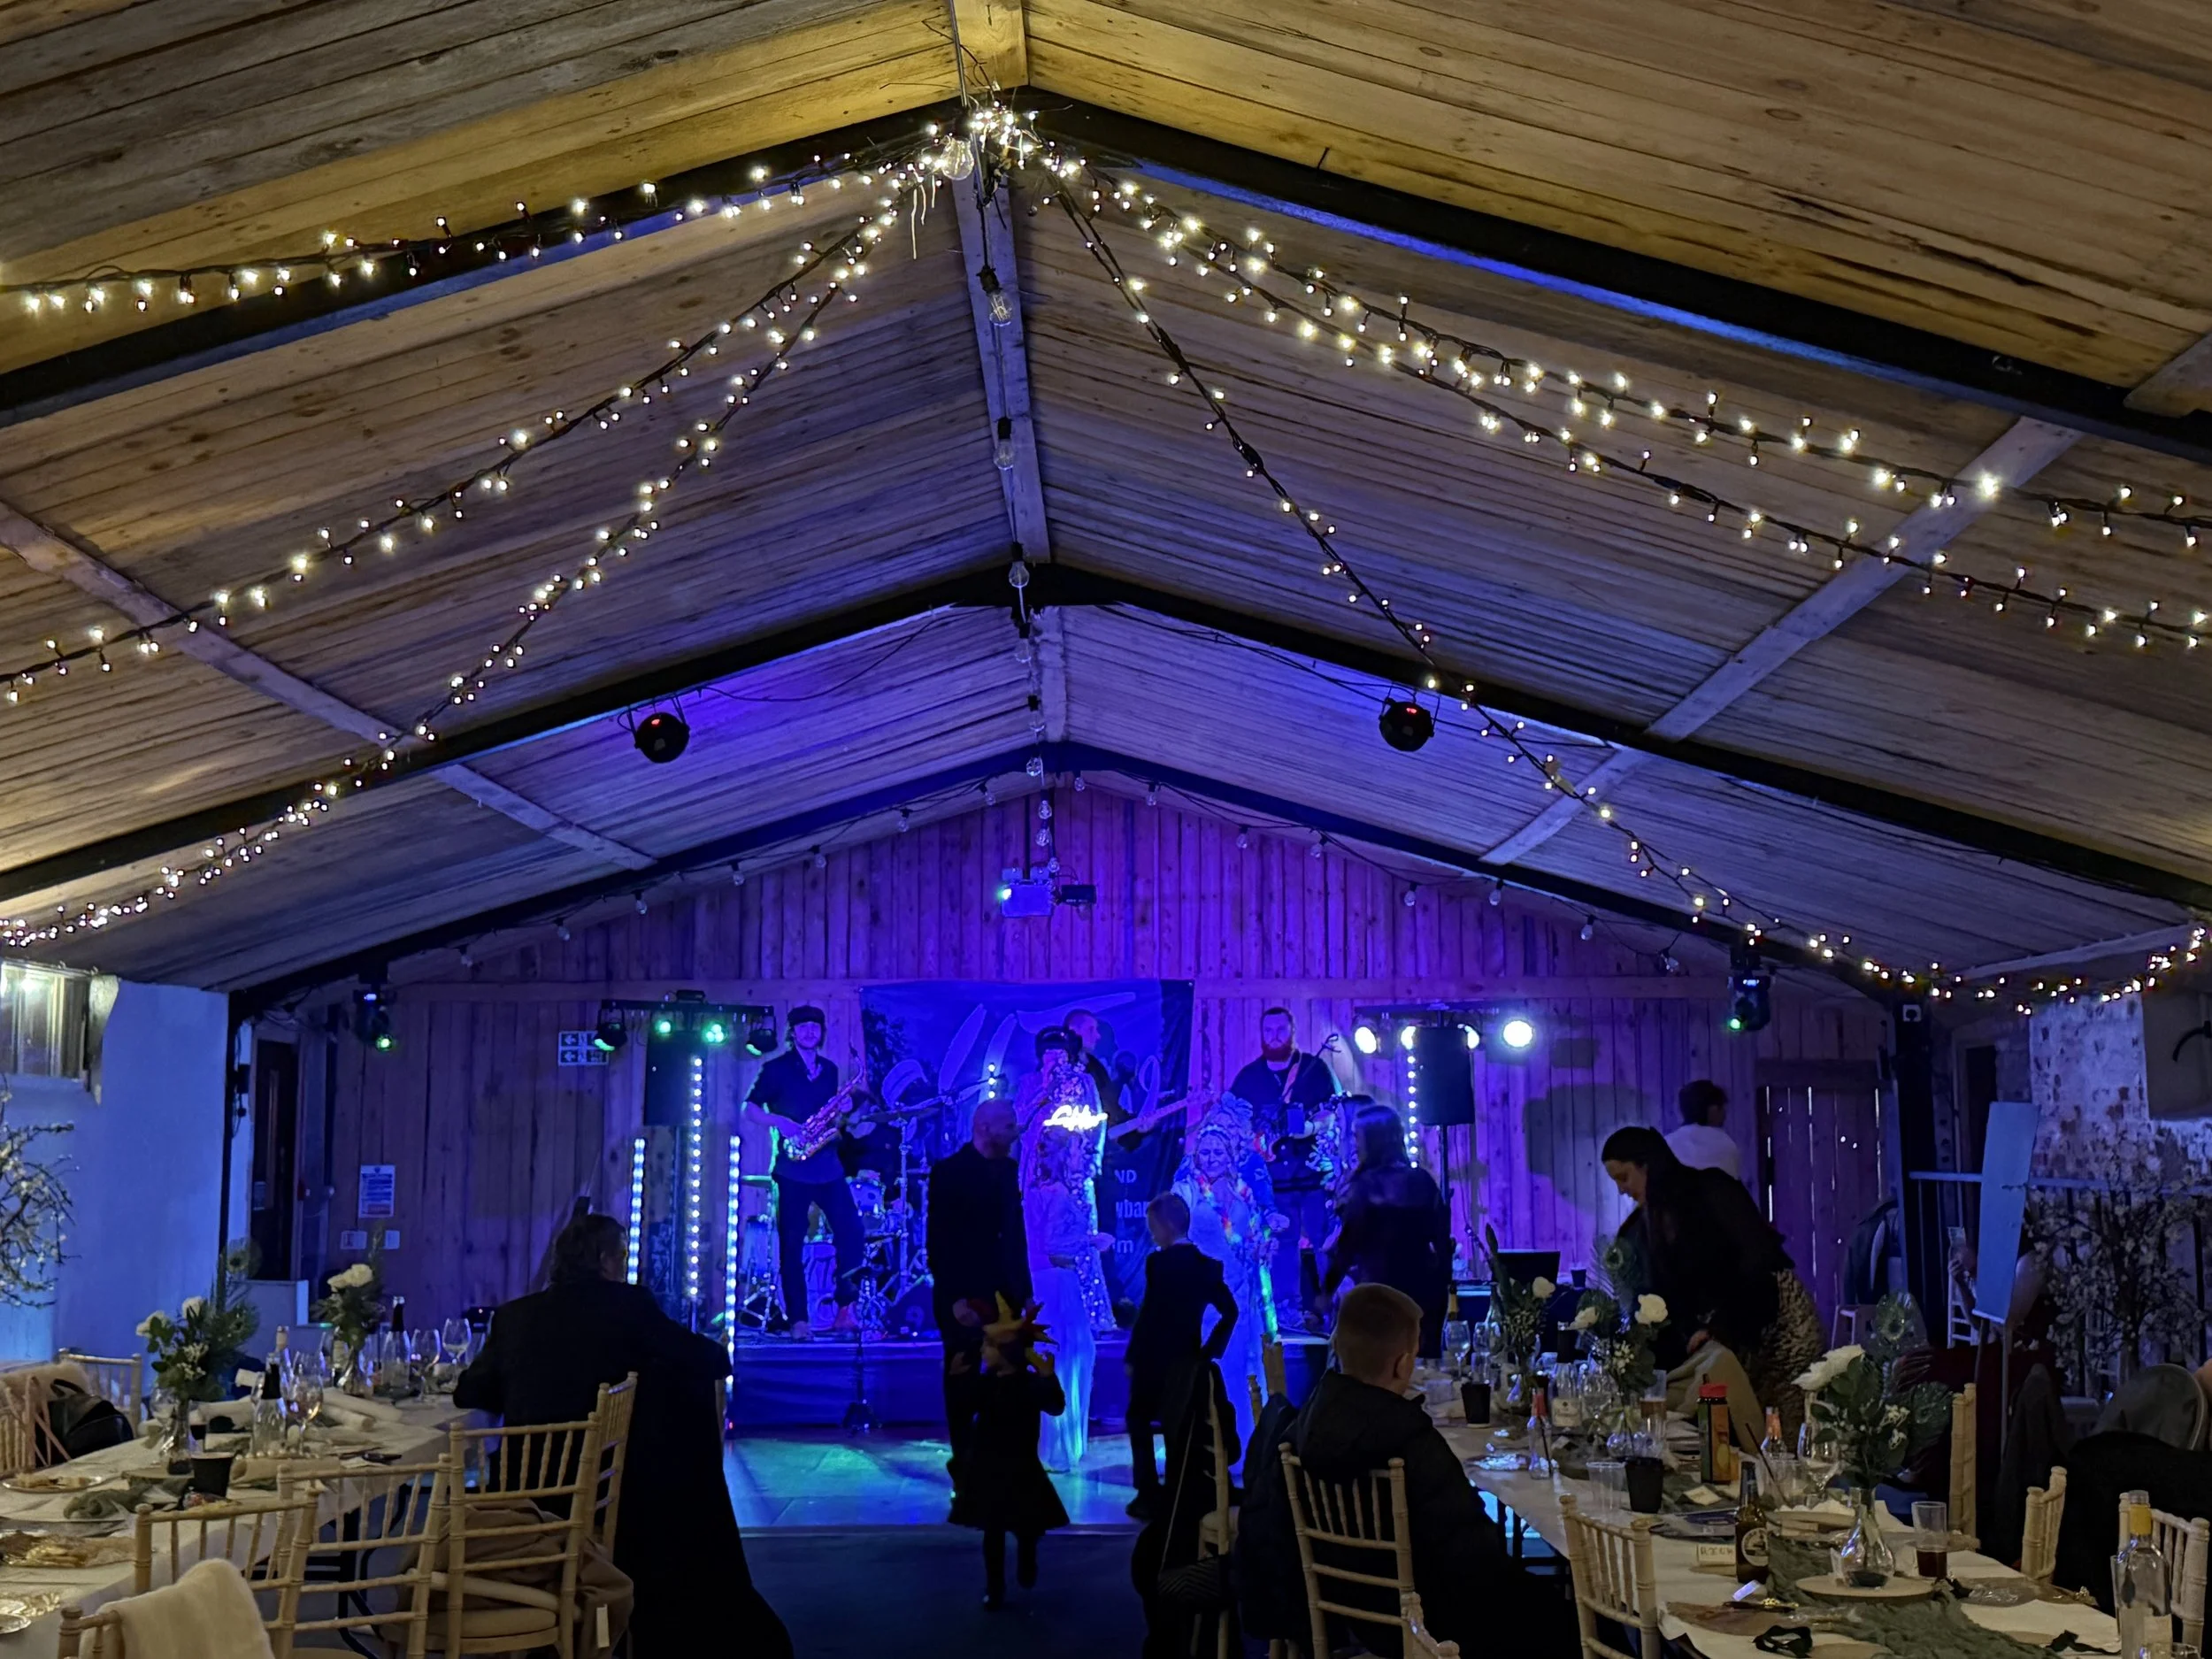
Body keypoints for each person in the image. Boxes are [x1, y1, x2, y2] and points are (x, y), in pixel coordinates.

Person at [455, 1212, 790, 1659]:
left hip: (520, 1492)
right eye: (623, 1256)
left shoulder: (514, 1316)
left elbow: (470, 1392)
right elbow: (710, 1360)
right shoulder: (628, 1306)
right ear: (605, 1260)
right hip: (600, 1492)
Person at [1235, 1284, 1514, 1655]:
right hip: (1425, 1625)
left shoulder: (1301, 1429)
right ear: (1403, 1364)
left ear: (1338, 1348)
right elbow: (1477, 1556)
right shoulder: (1410, 1439)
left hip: (1337, 1613)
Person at [1602, 1125, 1823, 1430]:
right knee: (1742, 1424)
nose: (1621, 1190)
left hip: (1777, 1321)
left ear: (1647, 1164)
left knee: (1785, 1428)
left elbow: (1757, 1262)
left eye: (1624, 1177)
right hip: (1727, 1332)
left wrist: (1720, 1326)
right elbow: (1667, 1299)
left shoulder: (1711, 1190)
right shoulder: (1645, 1225)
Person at [741, 1006, 861, 1340]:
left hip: (828, 1165)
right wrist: (780, 1122)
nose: (810, 1031)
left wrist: (844, 1110)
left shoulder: (830, 1070)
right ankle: (799, 1320)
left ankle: (845, 1309)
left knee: (852, 1232)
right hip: (792, 1168)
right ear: (792, 1032)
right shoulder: (775, 1069)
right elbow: (750, 1108)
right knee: (791, 1244)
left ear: (822, 1032)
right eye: (803, 1026)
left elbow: (835, 1120)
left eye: (815, 1026)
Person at [1228, 1009, 1352, 1331]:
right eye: (1268, 1030)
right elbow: (1234, 1121)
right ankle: (1287, 1314)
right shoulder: (1248, 1078)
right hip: (1272, 1181)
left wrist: (1310, 1127)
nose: (1274, 1036)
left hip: (1313, 1176)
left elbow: (1332, 1113)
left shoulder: (1314, 1069)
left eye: (1280, 1029)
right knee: (1282, 1248)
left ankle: (1335, 1310)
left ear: (1292, 1030)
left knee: (1326, 1244)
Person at [928, 1099, 1030, 1478]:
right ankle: (964, 1462)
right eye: (1009, 1126)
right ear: (984, 1128)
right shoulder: (949, 1172)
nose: (1015, 1133)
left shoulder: (1008, 1170)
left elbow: (1015, 1237)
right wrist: (955, 1298)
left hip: (1005, 1293)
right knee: (962, 1376)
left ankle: (1000, 1462)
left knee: (1007, 1377)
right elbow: (939, 1242)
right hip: (964, 1293)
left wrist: (1025, 1291)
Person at [948, 1295, 1069, 1609]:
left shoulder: (1028, 1385)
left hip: (1020, 1466)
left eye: (989, 1346)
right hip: (988, 1466)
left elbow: (1056, 1406)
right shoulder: (987, 1383)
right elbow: (964, 1409)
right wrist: (958, 1380)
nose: (983, 1351)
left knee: (1026, 1525)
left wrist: (1048, 1378)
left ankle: (1027, 1557)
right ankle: (995, 1586)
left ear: (1006, 1352)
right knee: (993, 1530)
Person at [1124, 1192, 1238, 1519]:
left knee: (1139, 1418)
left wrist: (1133, 1355)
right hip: (1188, 1360)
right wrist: (1209, 1352)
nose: (1152, 1235)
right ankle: (1179, 1489)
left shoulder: (1158, 1263)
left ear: (1166, 1226)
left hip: (1153, 1359)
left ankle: (1148, 1492)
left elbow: (1150, 1314)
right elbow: (1230, 1312)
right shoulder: (1207, 1267)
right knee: (1181, 1423)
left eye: (1153, 1228)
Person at [1318, 1103, 1452, 1357]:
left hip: (1379, 1294)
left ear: (1372, 1140)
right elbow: (1442, 1241)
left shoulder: (1364, 1186)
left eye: (1357, 1136)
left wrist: (1325, 1293)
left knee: (1379, 1364)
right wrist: (1444, 1283)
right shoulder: (1422, 1180)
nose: (1354, 1144)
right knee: (1421, 1365)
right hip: (1426, 1291)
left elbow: (1347, 1246)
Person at [1175, 1102, 1271, 1452]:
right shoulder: (1185, 1191)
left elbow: (1252, 1237)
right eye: (1206, 1152)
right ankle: (1200, 1451)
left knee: (1235, 1369)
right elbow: (1171, 1236)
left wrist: (1264, 1245)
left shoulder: (1243, 1191)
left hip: (1239, 1293)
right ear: (1196, 1156)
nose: (1212, 1158)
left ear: (1230, 1155)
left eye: (1218, 1152)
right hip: (1202, 1297)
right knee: (1203, 1371)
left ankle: (1237, 1450)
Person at [1015, 1027, 1113, 1332]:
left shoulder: (1084, 1082)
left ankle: (1091, 1315)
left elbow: (1097, 1124)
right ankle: (1044, 1311)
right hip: (1039, 1172)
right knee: (1039, 1236)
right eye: (1048, 1053)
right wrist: (1043, 1091)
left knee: (1080, 1234)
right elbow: (1018, 1122)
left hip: (1075, 1169)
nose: (1054, 1058)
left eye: (1059, 1052)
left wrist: (1093, 1162)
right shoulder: (1030, 1083)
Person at [1024, 1127, 1110, 1471]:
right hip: (1058, 1283)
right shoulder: (1057, 1194)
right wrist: (1091, 1241)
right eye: (1075, 1150)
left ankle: (1050, 1446)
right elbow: (1052, 1245)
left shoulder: (1036, 1192)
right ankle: (1056, 1449)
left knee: (1057, 1357)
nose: (1081, 1157)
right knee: (1067, 1358)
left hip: (1044, 1281)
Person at [1665, 1079, 1743, 1179]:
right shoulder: (1725, 1145)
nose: (1725, 1114)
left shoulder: (1667, 1144)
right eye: (1722, 1108)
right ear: (1713, 1109)